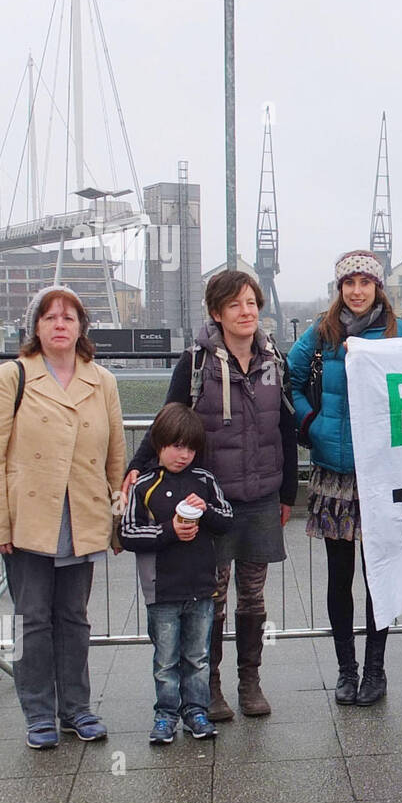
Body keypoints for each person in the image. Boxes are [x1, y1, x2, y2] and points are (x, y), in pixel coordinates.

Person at [123, 270, 298, 720]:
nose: (246, 312)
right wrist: (138, 466)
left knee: (254, 596)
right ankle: (211, 685)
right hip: (213, 501)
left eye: (252, 303)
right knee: (212, 596)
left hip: (262, 494)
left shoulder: (274, 359)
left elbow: (286, 426)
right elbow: (169, 421)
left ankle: (250, 680)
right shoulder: (195, 363)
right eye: (236, 304)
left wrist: (288, 489)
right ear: (217, 313)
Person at [0, 285, 126, 749]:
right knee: (32, 618)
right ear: (34, 327)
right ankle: (38, 713)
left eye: (69, 317)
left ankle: (77, 709)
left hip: (82, 516)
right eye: (50, 317)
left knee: (74, 617)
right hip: (28, 521)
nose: (60, 324)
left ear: (82, 328)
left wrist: (117, 521)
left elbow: (116, 456)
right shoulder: (11, 377)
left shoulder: (102, 381)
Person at [289, 251, 402, 707]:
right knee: (339, 576)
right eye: (349, 283)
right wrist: (311, 423)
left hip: (382, 471)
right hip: (335, 470)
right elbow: (292, 381)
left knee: (377, 574)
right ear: (339, 289)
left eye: (365, 282)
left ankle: (375, 670)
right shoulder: (320, 335)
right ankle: (347, 669)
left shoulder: (401, 334)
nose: (357, 290)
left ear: (378, 287)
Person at [120, 404, 234, 742]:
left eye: (189, 447)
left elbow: (227, 519)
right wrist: (169, 530)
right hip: (162, 590)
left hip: (202, 587)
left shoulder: (205, 480)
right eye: (175, 446)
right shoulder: (144, 485)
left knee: (198, 656)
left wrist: (207, 511)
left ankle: (196, 711)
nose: (182, 455)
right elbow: (127, 534)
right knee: (165, 659)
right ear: (159, 445)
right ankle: (165, 714)